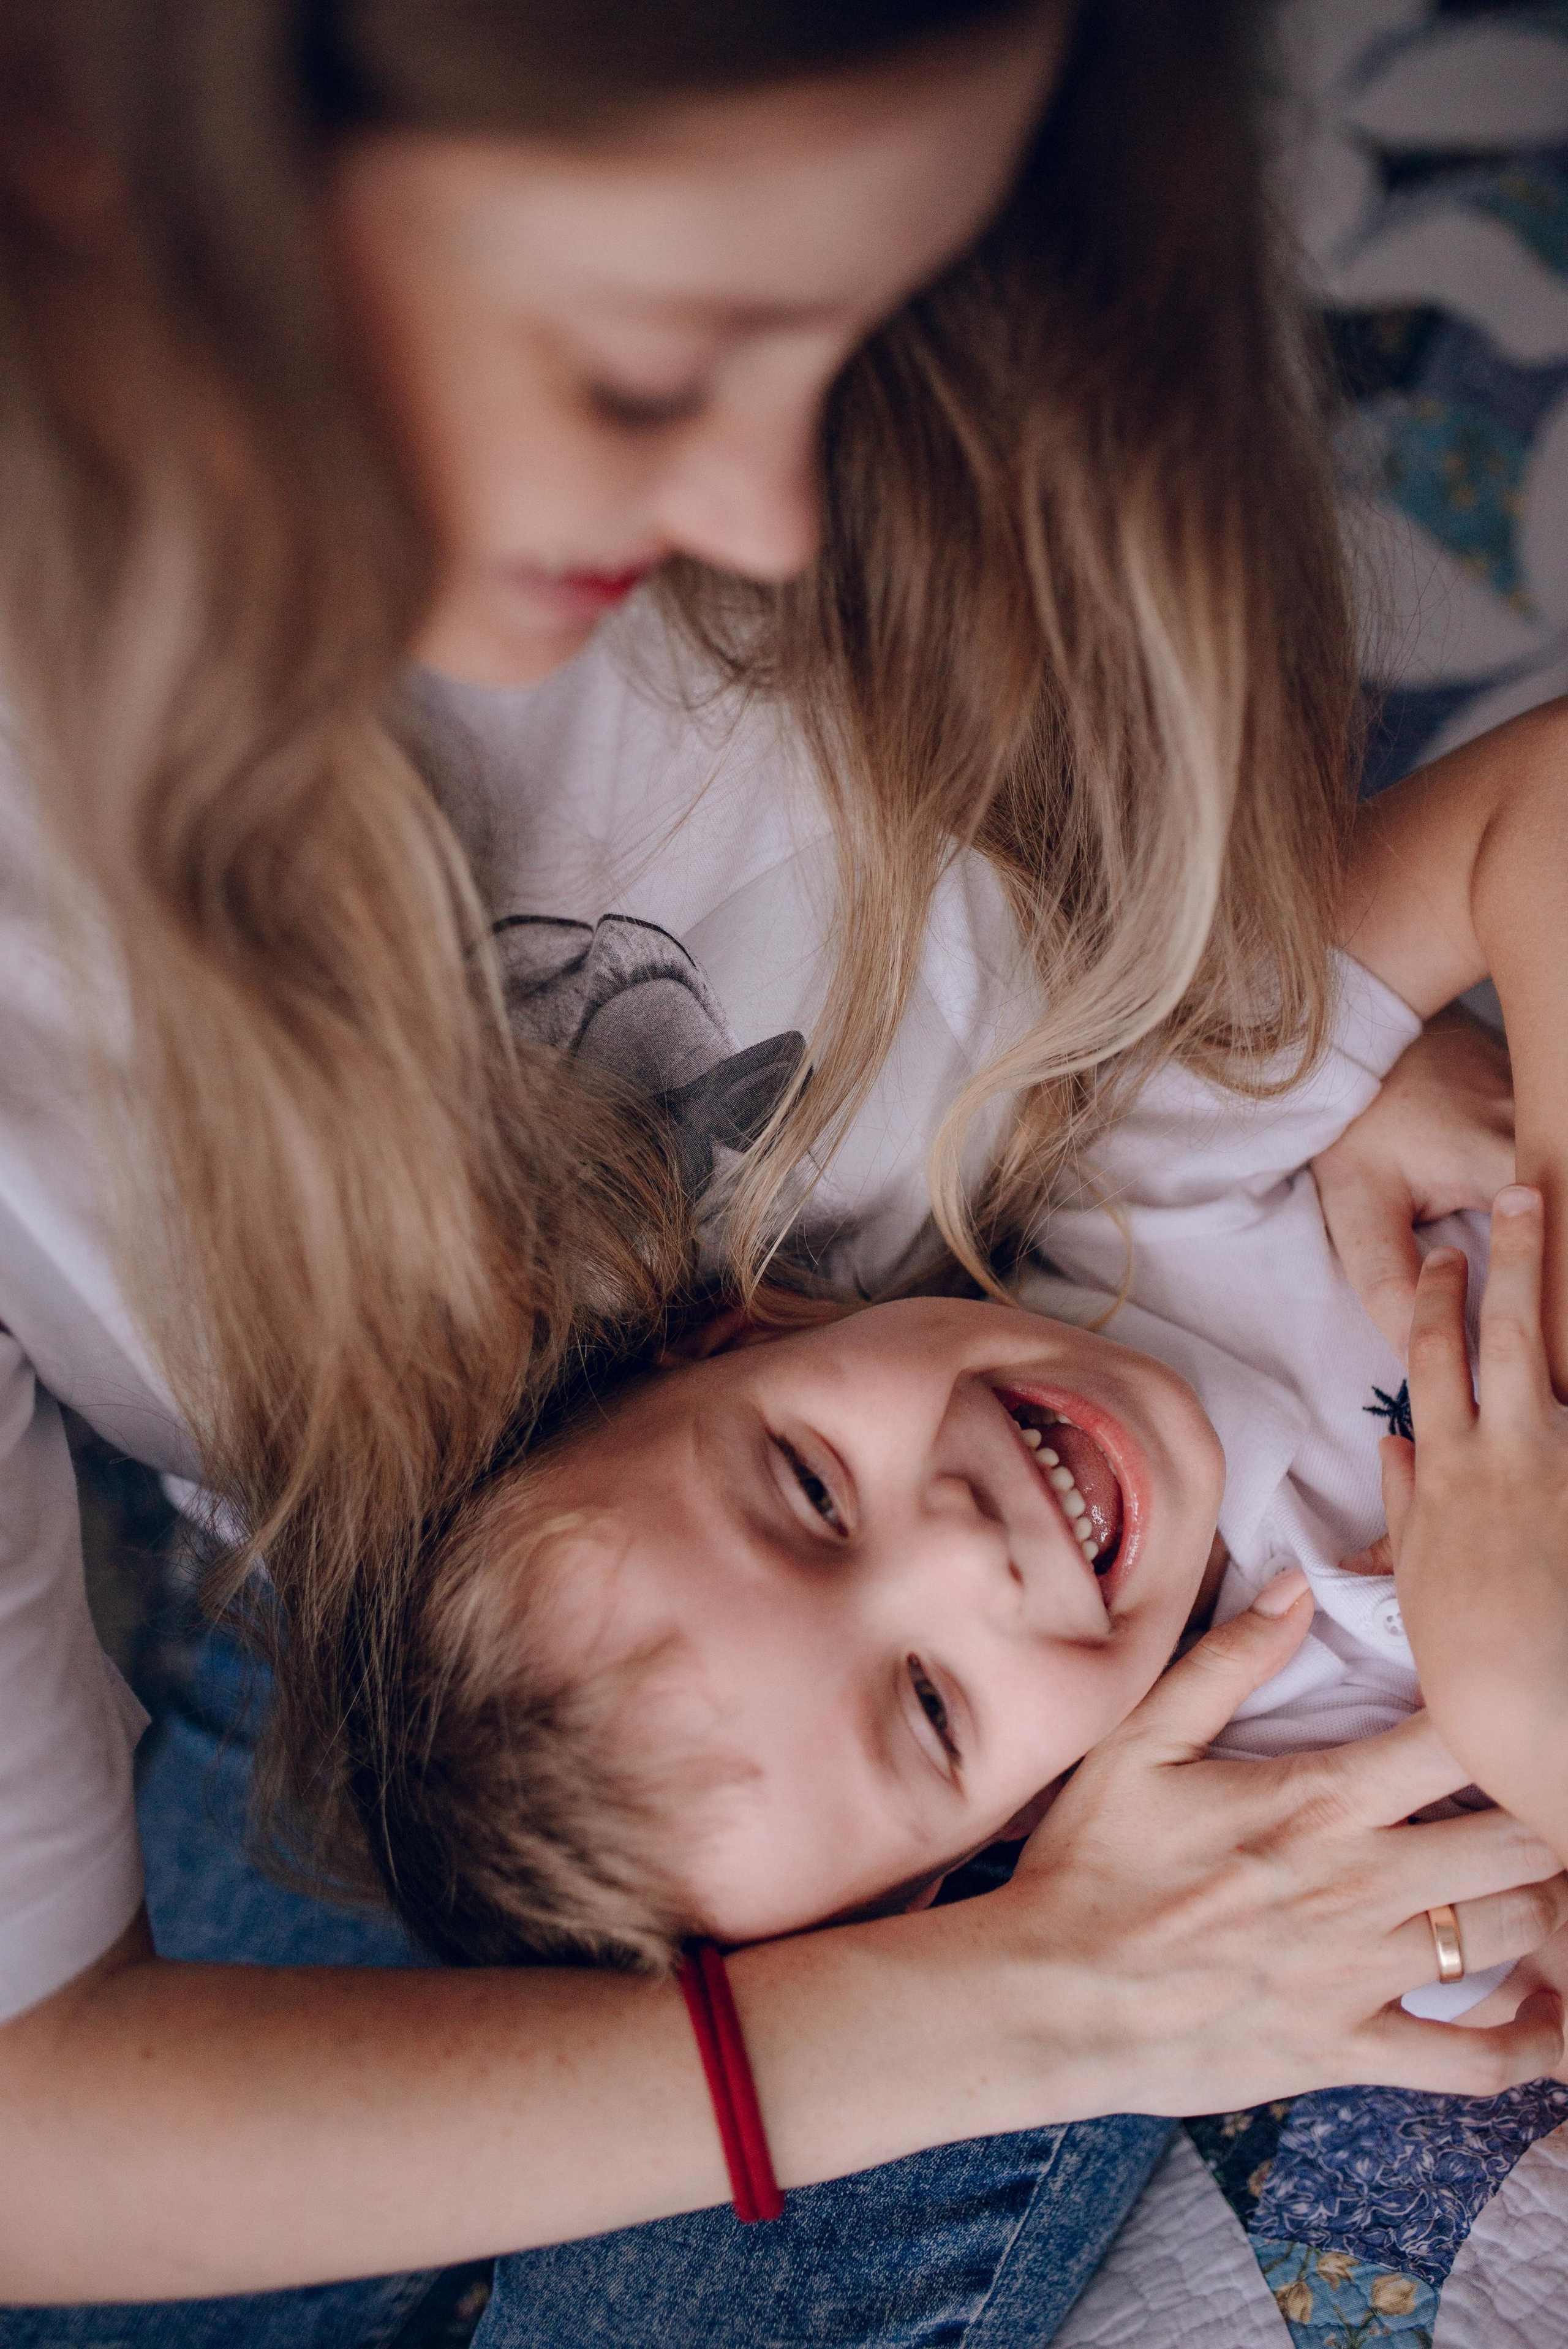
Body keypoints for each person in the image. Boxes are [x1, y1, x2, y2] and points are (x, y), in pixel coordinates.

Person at [0, 1, 1560, 2339]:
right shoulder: (1167, 1748)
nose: (761, 514)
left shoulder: (1146, 1186)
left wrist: (1320, 1021)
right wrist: (1026, 1989)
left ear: (754, 1329)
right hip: (420, 1625)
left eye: (821, 1494)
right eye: (647, 375)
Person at [310, 708, 1568, 2027]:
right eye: (928, 1707)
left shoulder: (1141, 1160)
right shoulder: (1307, 1834)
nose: (965, 1552)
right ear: (986, 1862)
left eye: (809, 1490)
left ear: (753, 1325)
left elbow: (1531, 798)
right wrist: (1521, 1716)